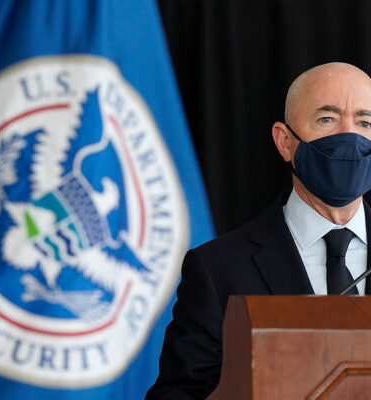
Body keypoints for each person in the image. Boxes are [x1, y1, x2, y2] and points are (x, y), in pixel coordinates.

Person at [145, 62, 371, 399]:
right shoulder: (217, 269)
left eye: (365, 123)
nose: (349, 137)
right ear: (285, 141)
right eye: (327, 119)